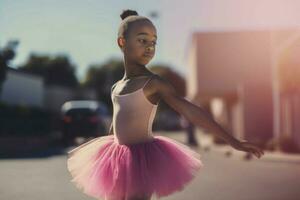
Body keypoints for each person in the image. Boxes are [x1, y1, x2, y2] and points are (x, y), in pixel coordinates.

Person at [66, 9, 264, 200]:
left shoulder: (154, 83)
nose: (150, 47)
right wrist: (108, 156)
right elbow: (118, 122)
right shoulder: (116, 87)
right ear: (122, 42)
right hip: (117, 157)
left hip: (142, 160)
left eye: (153, 42)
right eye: (142, 40)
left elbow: (190, 110)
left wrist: (232, 140)